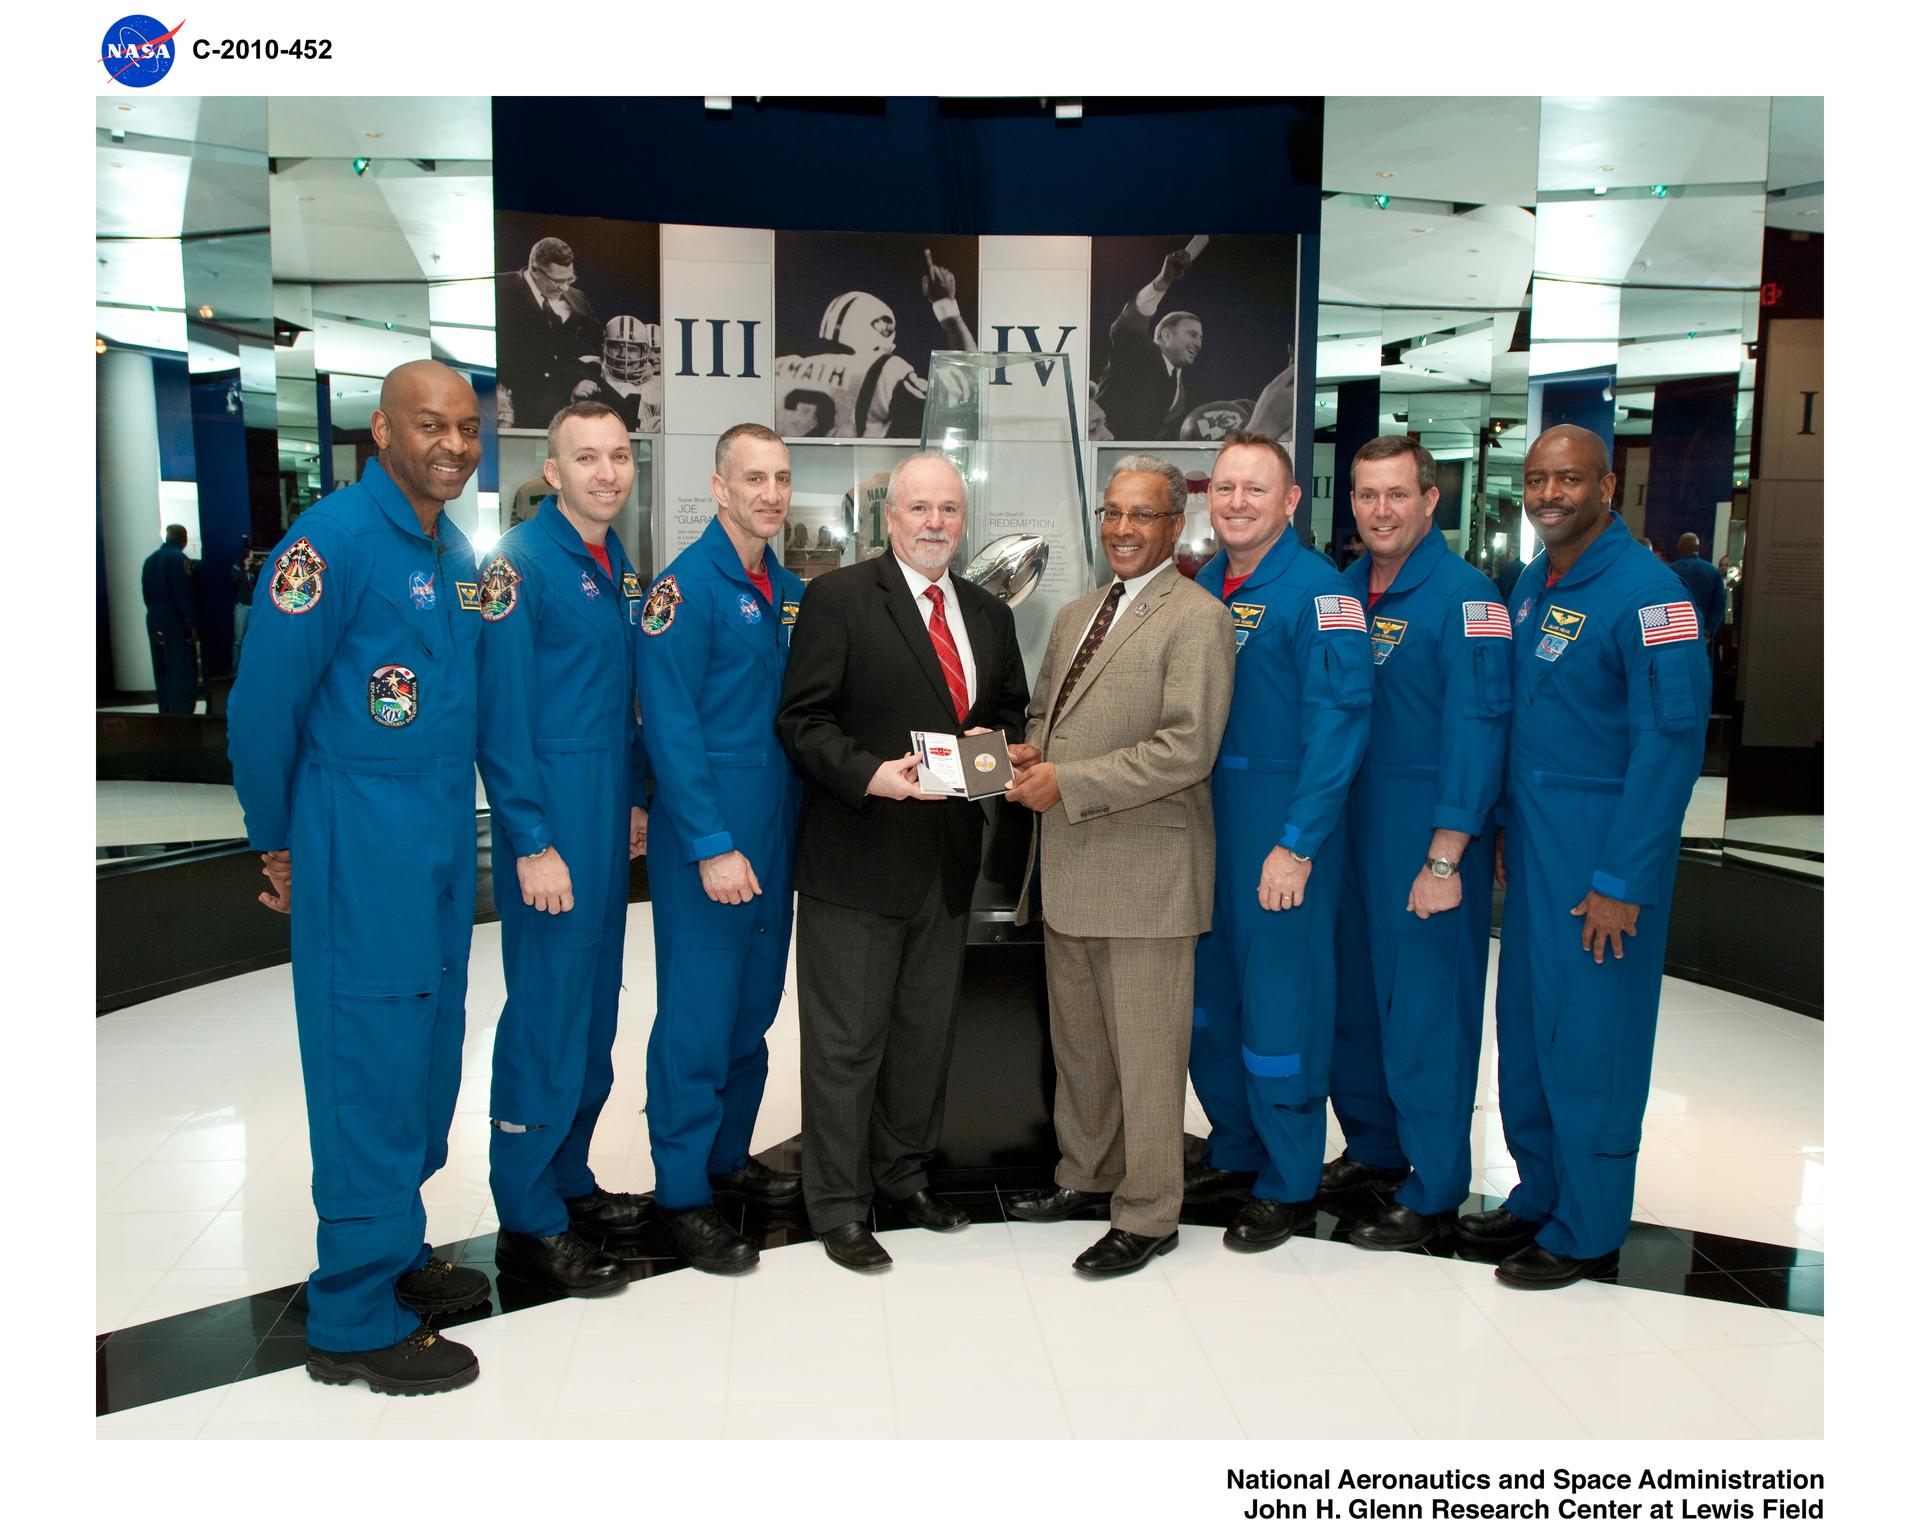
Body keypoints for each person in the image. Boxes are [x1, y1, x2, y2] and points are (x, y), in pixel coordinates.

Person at [228, 360, 489, 1395]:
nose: (455, 445)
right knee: (368, 1061)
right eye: (431, 425)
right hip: (359, 837)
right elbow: (263, 706)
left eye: (467, 427)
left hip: (437, 838)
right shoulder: (328, 544)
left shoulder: (453, 548)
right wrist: (278, 839)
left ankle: (395, 1247)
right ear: (382, 431)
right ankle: (350, 1313)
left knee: (425, 1054)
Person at [1463, 425, 1710, 1288]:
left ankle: (1589, 1226)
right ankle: (1540, 1194)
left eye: (1568, 479)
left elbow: (1669, 750)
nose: (1548, 495)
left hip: (1602, 855)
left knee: (1592, 1042)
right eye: (1537, 479)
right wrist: (1503, 826)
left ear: (1606, 488)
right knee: (1530, 1029)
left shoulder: (1652, 597)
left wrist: (1622, 880)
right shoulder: (1535, 582)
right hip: (1536, 848)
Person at [775, 451, 1030, 1271]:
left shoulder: (988, 614)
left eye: (948, 509)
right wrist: (871, 775)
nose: (934, 523)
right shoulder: (839, 599)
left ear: (964, 520)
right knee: (846, 1046)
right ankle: (838, 1204)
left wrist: (994, 751)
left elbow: (1010, 715)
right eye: (918, 508)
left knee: (922, 1039)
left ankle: (903, 1176)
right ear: (889, 518)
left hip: (947, 866)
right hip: (857, 861)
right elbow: (802, 721)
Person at [1002, 454, 1235, 1276]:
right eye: (1112, 513)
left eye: (1142, 515)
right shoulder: (1078, 613)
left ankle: (1148, 1211)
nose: (1123, 530)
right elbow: (1047, 714)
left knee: (1146, 1056)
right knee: (1084, 1052)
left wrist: (1068, 782)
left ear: (1176, 525)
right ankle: (1087, 1175)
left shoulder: (1198, 619)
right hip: (1069, 870)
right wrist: (1030, 751)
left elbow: (1186, 748)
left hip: (1147, 878)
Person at [476, 402, 652, 1298]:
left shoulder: (615, 563)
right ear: (552, 472)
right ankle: (527, 1216)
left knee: (591, 1014)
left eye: (618, 455)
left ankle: (569, 1178)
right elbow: (500, 720)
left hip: (603, 813)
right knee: (546, 1016)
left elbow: (618, 701)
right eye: (586, 458)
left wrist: (633, 797)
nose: (606, 473)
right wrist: (531, 840)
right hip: (550, 822)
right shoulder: (517, 566)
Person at [1324, 437, 1513, 1249]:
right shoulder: (1341, 592)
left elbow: (1480, 732)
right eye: (1367, 495)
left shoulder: (1467, 600)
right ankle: (1374, 1147)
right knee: (1355, 1003)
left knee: (1427, 1013)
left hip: (1422, 836)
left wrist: (1446, 855)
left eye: (1397, 494)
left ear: (1431, 500)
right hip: (1347, 833)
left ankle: (1434, 1183)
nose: (1381, 511)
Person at [1186, 432, 1373, 1251]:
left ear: (1291, 501)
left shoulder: (1321, 595)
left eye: (1255, 489)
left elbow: (1340, 728)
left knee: (1280, 1007)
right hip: (1205, 831)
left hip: (1278, 835)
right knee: (1213, 1005)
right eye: (1225, 488)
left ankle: (1291, 1179)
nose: (1236, 503)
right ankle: (1236, 1147)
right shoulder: (1202, 587)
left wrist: (1297, 843)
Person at [636, 422, 806, 1276]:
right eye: (754, 478)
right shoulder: (683, 589)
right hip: (711, 841)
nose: (770, 494)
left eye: (781, 478)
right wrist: (709, 843)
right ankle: (680, 1194)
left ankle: (727, 1158)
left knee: (752, 1010)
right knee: (698, 1019)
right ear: (719, 488)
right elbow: (668, 727)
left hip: (776, 837)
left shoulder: (792, 592)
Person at [773, 253, 977, 440]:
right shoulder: (883, 370)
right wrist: (946, 307)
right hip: (847, 467)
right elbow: (963, 394)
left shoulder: (779, 367)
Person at [1093, 241, 1205, 441]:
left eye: (1200, 337)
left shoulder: (1180, 392)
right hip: (1095, 450)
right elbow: (1126, 326)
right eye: (1192, 334)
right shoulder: (1139, 353)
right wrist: (1162, 282)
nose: (1198, 344)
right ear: (1166, 335)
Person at [497, 236, 600, 431]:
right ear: (535, 269)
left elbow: (596, 343)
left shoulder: (577, 298)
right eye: (557, 281)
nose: (565, 287)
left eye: (570, 279)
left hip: (565, 405)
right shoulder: (499, 288)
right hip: (516, 408)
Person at [141, 523, 199, 713]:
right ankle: (181, 713)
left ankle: (165, 710)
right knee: (180, 667)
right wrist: (192, 624)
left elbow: (146, 594)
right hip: (175, 620)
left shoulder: (150, 560)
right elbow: (184, 594)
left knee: (161, 667)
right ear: (184, 539)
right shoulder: (179, 560)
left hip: (154, 617)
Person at [570, 315, 663, 433]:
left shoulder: (656, 387)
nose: (623, 355)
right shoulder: (588, 369)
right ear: (604, 348)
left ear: (643, 352)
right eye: (616, 347)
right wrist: (572, 398)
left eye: (632, 349)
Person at [1668, 531, 1726, 643]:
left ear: (1678, 547)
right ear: (1698, 548)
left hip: (1677, 635)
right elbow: (1719, 605)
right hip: (1703, 635)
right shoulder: (1713, 572)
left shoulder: (1670, 571)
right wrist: (1709, 630)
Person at [229, 537, 262, 670]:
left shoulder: (255, 568)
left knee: (253, 639)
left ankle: (251, 667)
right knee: (238, 641)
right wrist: (246, 567)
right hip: (241, 606)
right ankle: (235, 669)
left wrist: (258, 565)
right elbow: (234, 580)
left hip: (254, 607)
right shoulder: (237, 566)